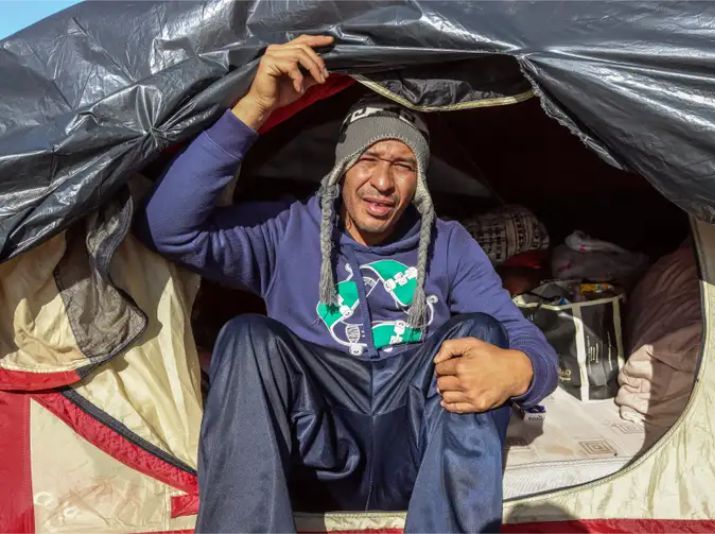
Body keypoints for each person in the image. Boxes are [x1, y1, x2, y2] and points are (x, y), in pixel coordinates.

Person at [136, 34, 558, 533]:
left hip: (415, 447)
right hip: (316, 446)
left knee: (482, 334)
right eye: (368, 159)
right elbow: (169, 226)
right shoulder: (286, 230)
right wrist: (253, 106)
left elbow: (524, 338)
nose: (383, 181)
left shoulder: (449, 243)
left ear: (419, 180)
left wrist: (521, 371)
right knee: (247, 337)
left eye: (402, 165)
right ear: (339, 169)